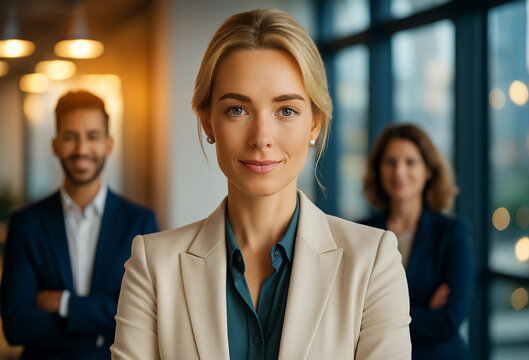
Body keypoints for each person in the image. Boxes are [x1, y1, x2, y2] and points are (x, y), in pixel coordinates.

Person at [112, 8, 411, 360]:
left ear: (314, 124)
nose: (261, 138)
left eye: (286, 111)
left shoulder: (372, 262)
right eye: (237, 110)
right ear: (207, 121)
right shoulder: (153, 265)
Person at [0, 90, 159, 359]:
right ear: (55, 145)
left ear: (108, 144)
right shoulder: (26, 223)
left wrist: (64, 304)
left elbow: (147, 315)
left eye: (92, 136)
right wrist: (101, 321)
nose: (81, 149)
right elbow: (17, 325)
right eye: (70, 137)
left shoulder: (140, 221)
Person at [360, 123, 474, 360]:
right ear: (379, 170)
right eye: (390, 162)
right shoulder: (361, 232)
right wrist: (422, 312)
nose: (399, 171)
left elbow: (449, 319)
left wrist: (377, 318)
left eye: (410, 162)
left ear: (428, 170)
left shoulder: (452, 232)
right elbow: (350, 314)